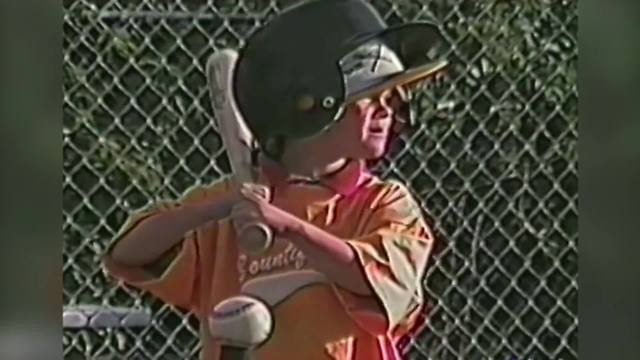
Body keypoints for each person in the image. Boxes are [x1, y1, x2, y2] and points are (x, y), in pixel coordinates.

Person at [102, 0, 448, 359]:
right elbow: (129, 254)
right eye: (370, 96)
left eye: (392, 98)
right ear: (311, 101)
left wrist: (287, 226)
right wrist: (219, 207)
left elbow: (381, 284)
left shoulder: (383, 203)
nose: (387, 110)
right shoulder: (235, 204)